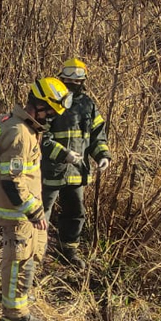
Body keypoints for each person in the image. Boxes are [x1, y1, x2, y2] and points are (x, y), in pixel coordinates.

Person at [0, 77, 73, 321]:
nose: (52, 118)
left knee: (32, 253)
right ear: (40, 106)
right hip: (19, 212)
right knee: (19, 260)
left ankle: (17, 295)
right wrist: (34, 211)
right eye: (51, 112)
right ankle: (14, 312)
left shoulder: (7, 121)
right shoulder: (19, 134)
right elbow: (12, 181)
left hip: (25, 209)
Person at [40, 58, 112, 269]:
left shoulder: (87, 105)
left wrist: (102, 156)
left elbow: (97, 134)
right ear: (61, 79)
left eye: (77, 81)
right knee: (42, 211)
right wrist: (63, 154)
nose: (73, 84)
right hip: (51, 170)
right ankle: (35, 251)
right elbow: (39, 137)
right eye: (69, 80)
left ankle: (68, 250)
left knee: (75, 211)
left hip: (77, 171)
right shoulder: (51, 100)